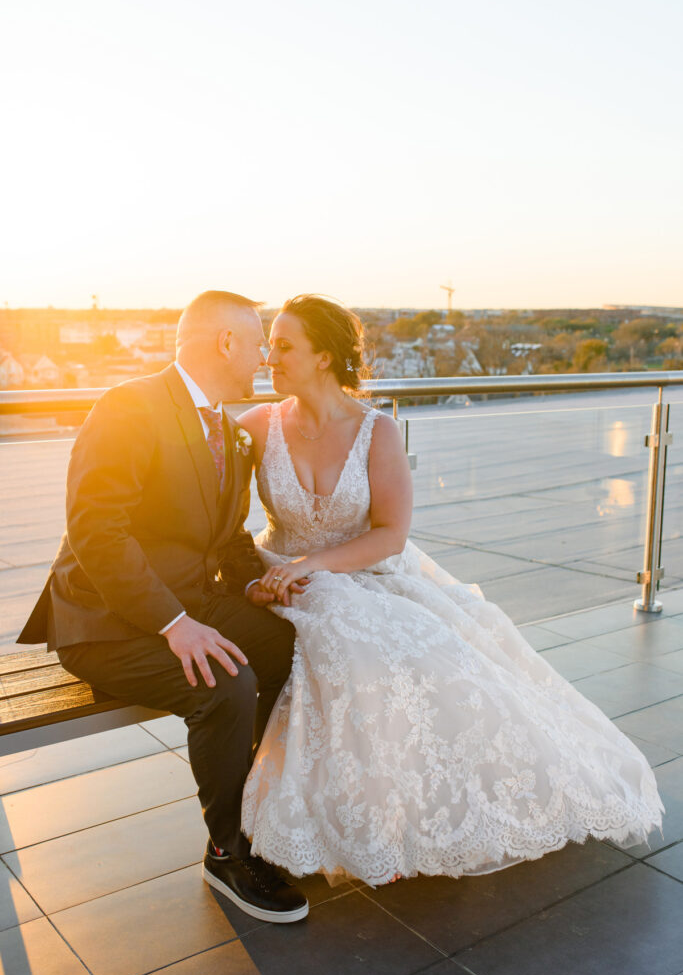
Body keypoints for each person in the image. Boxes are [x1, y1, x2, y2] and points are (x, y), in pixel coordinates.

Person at [238, 294, 664, 887]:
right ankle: (332, 813)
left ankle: (435, 808)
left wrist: (316, 564)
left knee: (437, 653)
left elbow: (390, 535)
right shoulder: (256, 426)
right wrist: (268, 573)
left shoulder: (375, 430)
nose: (269, 354)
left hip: (365, 569)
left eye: (283, 344)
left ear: (324, 357)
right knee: (343, 636)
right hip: (281, 569)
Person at [18, 290, 309, 923]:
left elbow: (228, 537)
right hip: (104, 623)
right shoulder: (130, 407)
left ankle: (266, 814)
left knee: (291, 647)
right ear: (225, 342)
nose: (263, 353)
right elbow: (98, 533)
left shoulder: (229, 431)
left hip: (192, 604)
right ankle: (228, 852)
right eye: (257, 340)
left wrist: (258, 585)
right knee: (227, 680)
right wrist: (176, 625)